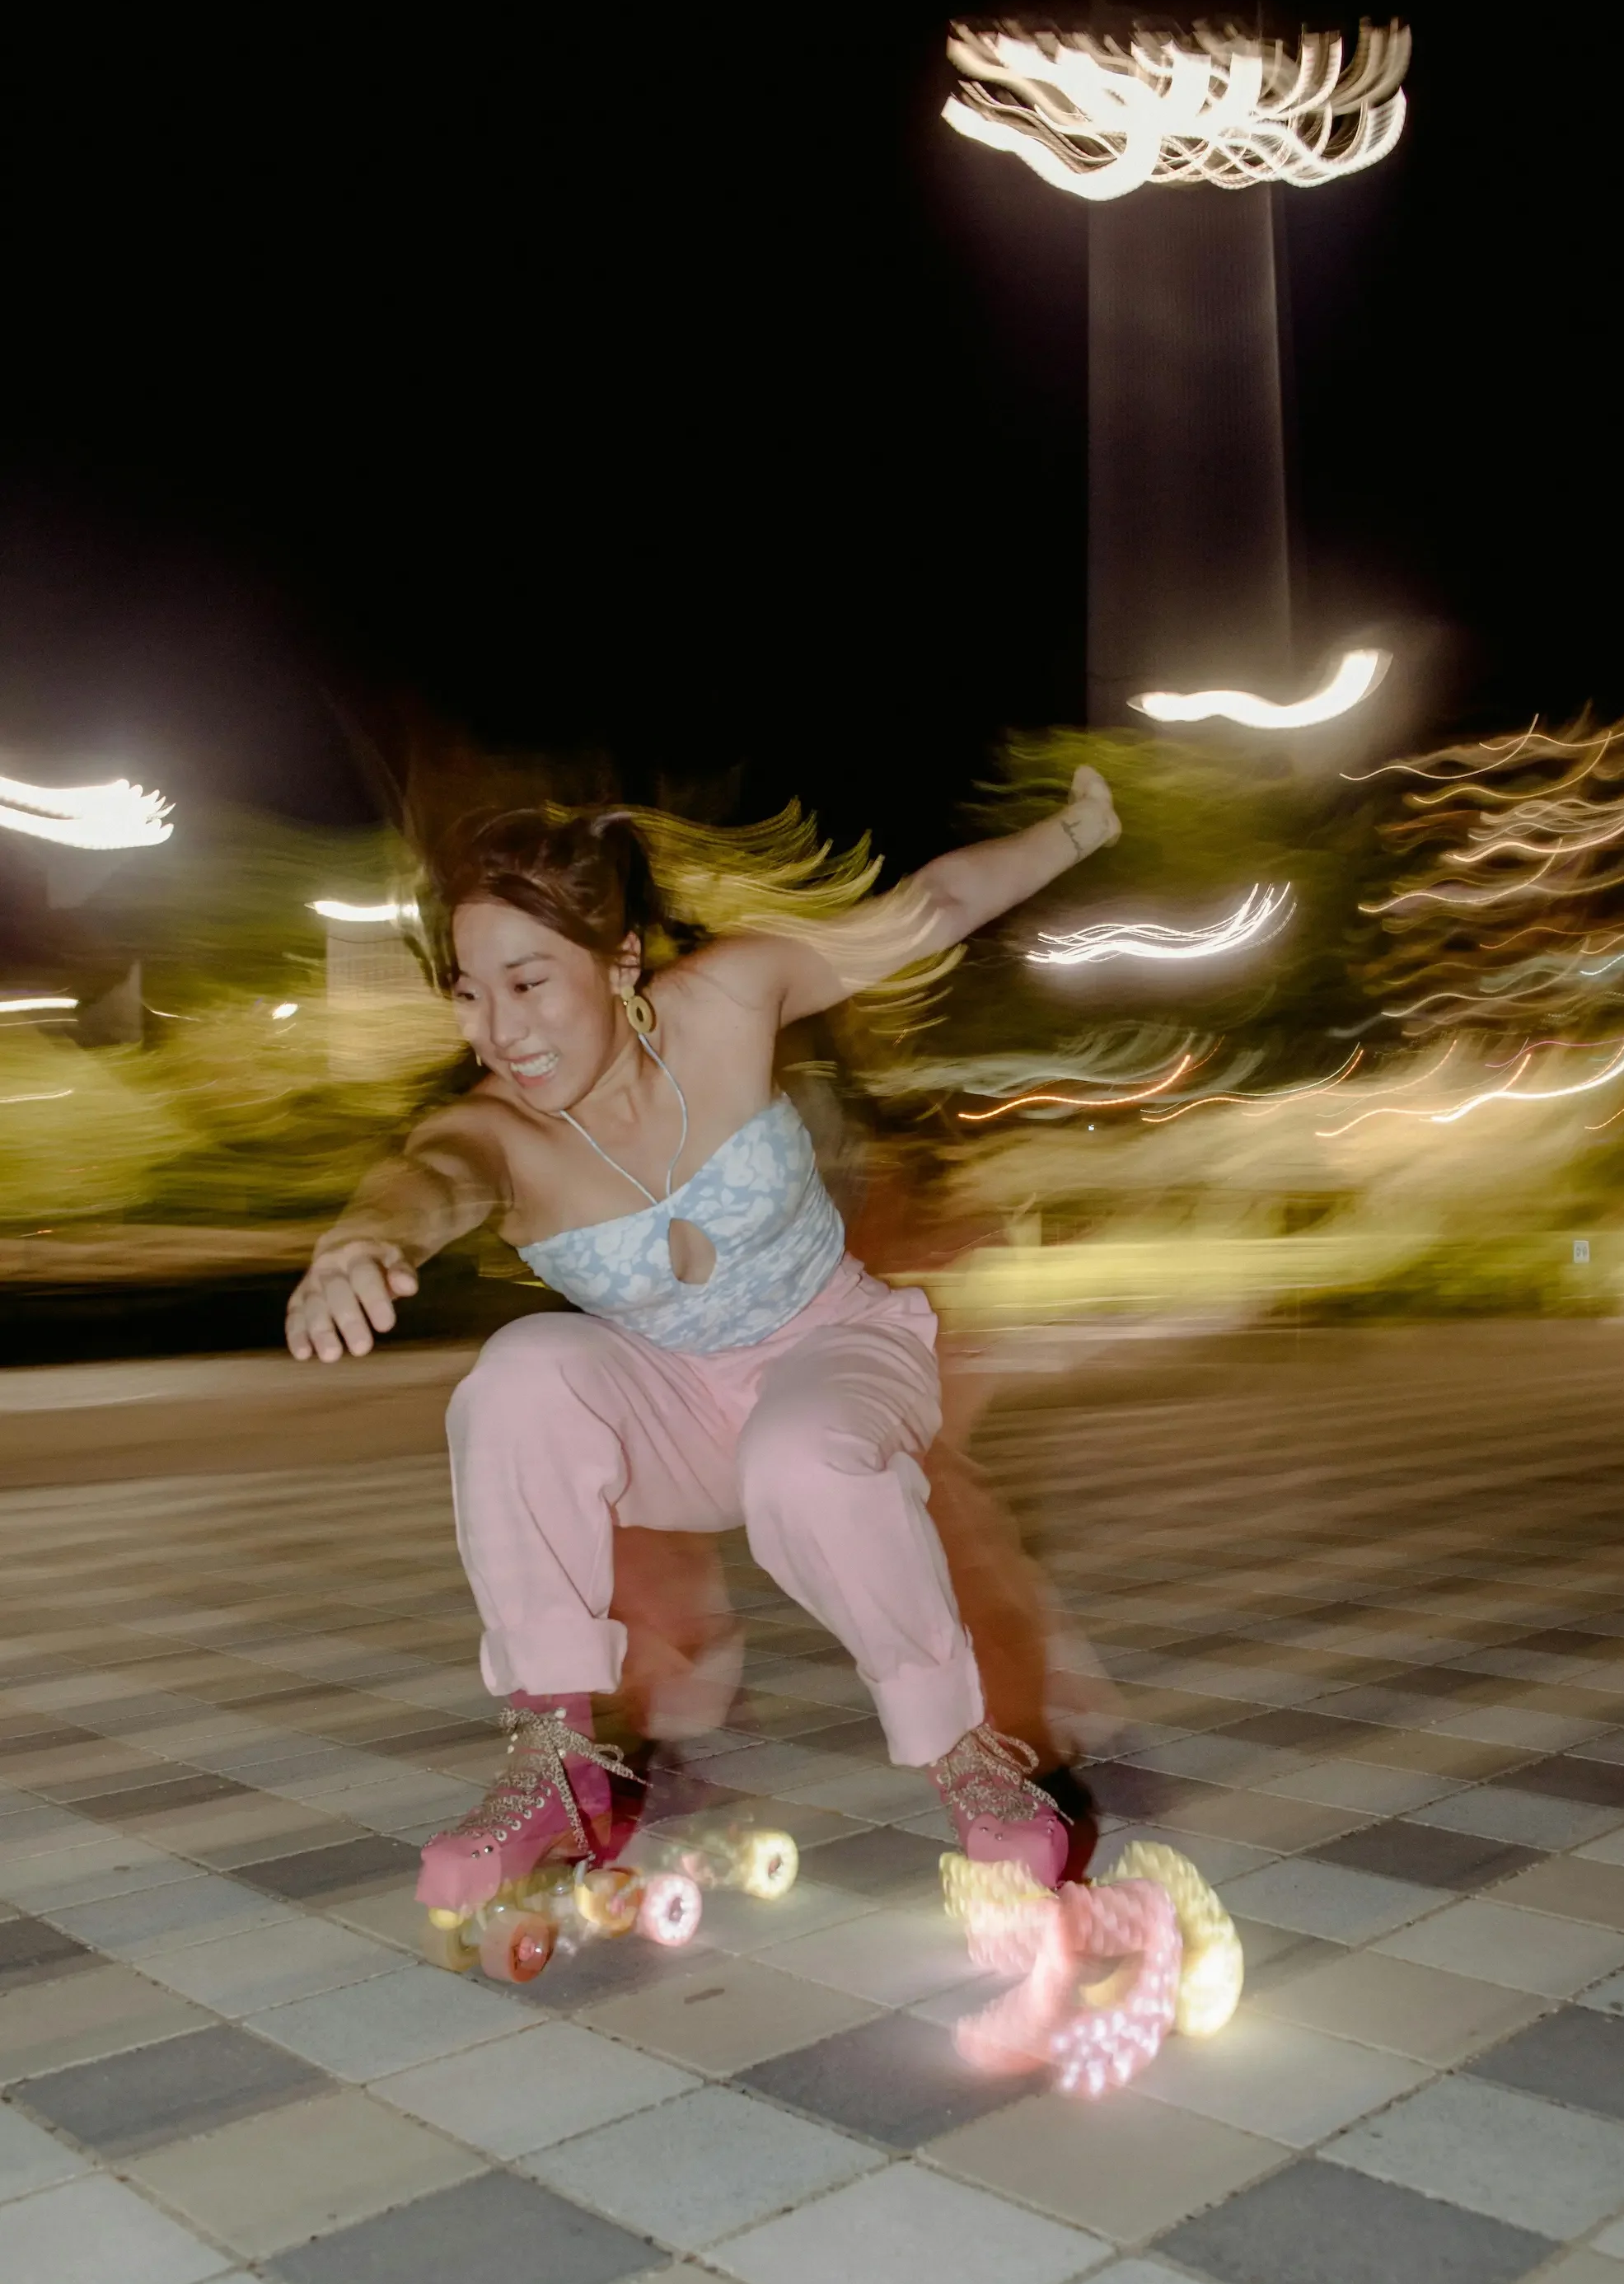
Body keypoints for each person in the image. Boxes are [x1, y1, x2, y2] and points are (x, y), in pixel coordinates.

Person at [285, 767, 1121, 1910]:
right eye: (470, 994)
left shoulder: (730, 999)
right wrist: (360, 1239)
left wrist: (1075, 831)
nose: (501, 1031)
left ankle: (967, 1754)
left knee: (802, 1453)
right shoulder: (497, 1130)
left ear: (619, 961)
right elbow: (429, 1177)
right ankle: (555, 1754)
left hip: (838, 1353)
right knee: (520, 1375)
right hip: (672, 1412)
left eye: (528, 983)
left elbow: (929, 909)